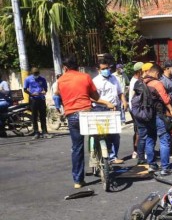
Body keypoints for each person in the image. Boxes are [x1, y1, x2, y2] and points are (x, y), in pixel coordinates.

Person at [57, 55, 100, 188]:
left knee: (77, 147)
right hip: (87, 113)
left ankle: (78, 180)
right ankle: (99, 163)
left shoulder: (61, 79)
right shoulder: (85, 77)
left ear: (65, 68)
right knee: (98, 137)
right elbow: (96, 96)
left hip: (72, 116)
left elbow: (58, 94)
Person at [144, 63, 172, 176]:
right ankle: (165, 168)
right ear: (157, 73)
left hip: (147, 115)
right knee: (164, 140)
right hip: (159, 115)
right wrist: (171, 110)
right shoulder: (157, 83)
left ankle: (152, 165)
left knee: (150, 139)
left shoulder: (142, 82)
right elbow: (165, 99)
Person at [92, 58, 127, 164]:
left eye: (108, 68)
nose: (106, 70)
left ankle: (113, 157)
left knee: (115, 134)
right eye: (103, 69)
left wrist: (124, 101)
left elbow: (120, 92)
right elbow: (92, 98)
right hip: (100, 109)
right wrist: (106, 103)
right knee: (103, 134)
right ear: (98, 69)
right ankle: (102, 155)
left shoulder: (114, 78)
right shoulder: (95, 81)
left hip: (114, 109)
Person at [160, 59, 172, 153]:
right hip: (168, 110)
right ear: (167, 68)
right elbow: (164, 97)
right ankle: (167, 150)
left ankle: (171, 148)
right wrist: (169, 110)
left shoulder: (171, 78)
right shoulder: (163, 80)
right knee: (168, 132)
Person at [24, 67, 49, 139]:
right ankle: (36, 132)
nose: (36, 75)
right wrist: (31, 94)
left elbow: (45, 89)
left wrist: (44, 92)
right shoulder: (28, 79)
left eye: (37, 73)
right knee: (34, 116)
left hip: (41, 99)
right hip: (33, 99)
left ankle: (44, 132)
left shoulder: (42, 79)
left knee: (43, 116)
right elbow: (25, 89)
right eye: (35, 74)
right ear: (32, 73)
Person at [128, 62, 144, 161]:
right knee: (139, 131)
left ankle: (137, 150)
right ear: (139, 71)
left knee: (138, 130)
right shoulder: (135, 82)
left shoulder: (136, 80)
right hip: (136, 109)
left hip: (135, 108)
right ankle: (137, 150)